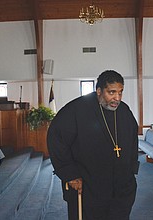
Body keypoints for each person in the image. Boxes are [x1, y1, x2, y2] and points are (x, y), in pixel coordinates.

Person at [47, 70, 139, 220]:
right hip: (89, 184)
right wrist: (70, 174)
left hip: (120, 184)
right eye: (112, 92)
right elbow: (57, 139)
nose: (117, 98)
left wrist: (131, 169)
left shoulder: (124, 111)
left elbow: (132, 141)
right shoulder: (76, 109)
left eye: (120, 92)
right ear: (99, 91)